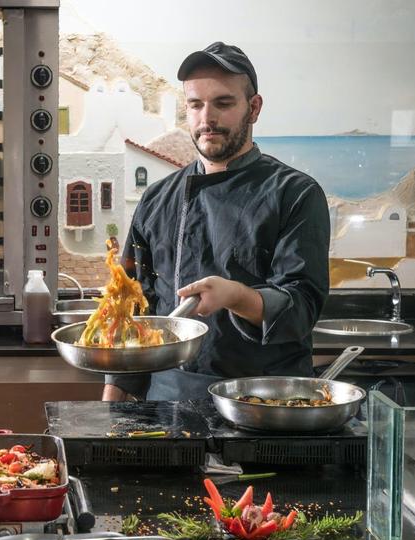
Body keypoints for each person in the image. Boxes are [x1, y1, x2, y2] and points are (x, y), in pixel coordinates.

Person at [103, 42, 330, 402]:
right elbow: (133, 307)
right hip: (168, 401)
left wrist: (235, 295)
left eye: (223, 103)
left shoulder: (295, 193)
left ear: (253, 108)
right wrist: (108, 410)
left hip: (263, 402)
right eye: (196, 104)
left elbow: (300, 308)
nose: (207, 118)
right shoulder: (157, 198)